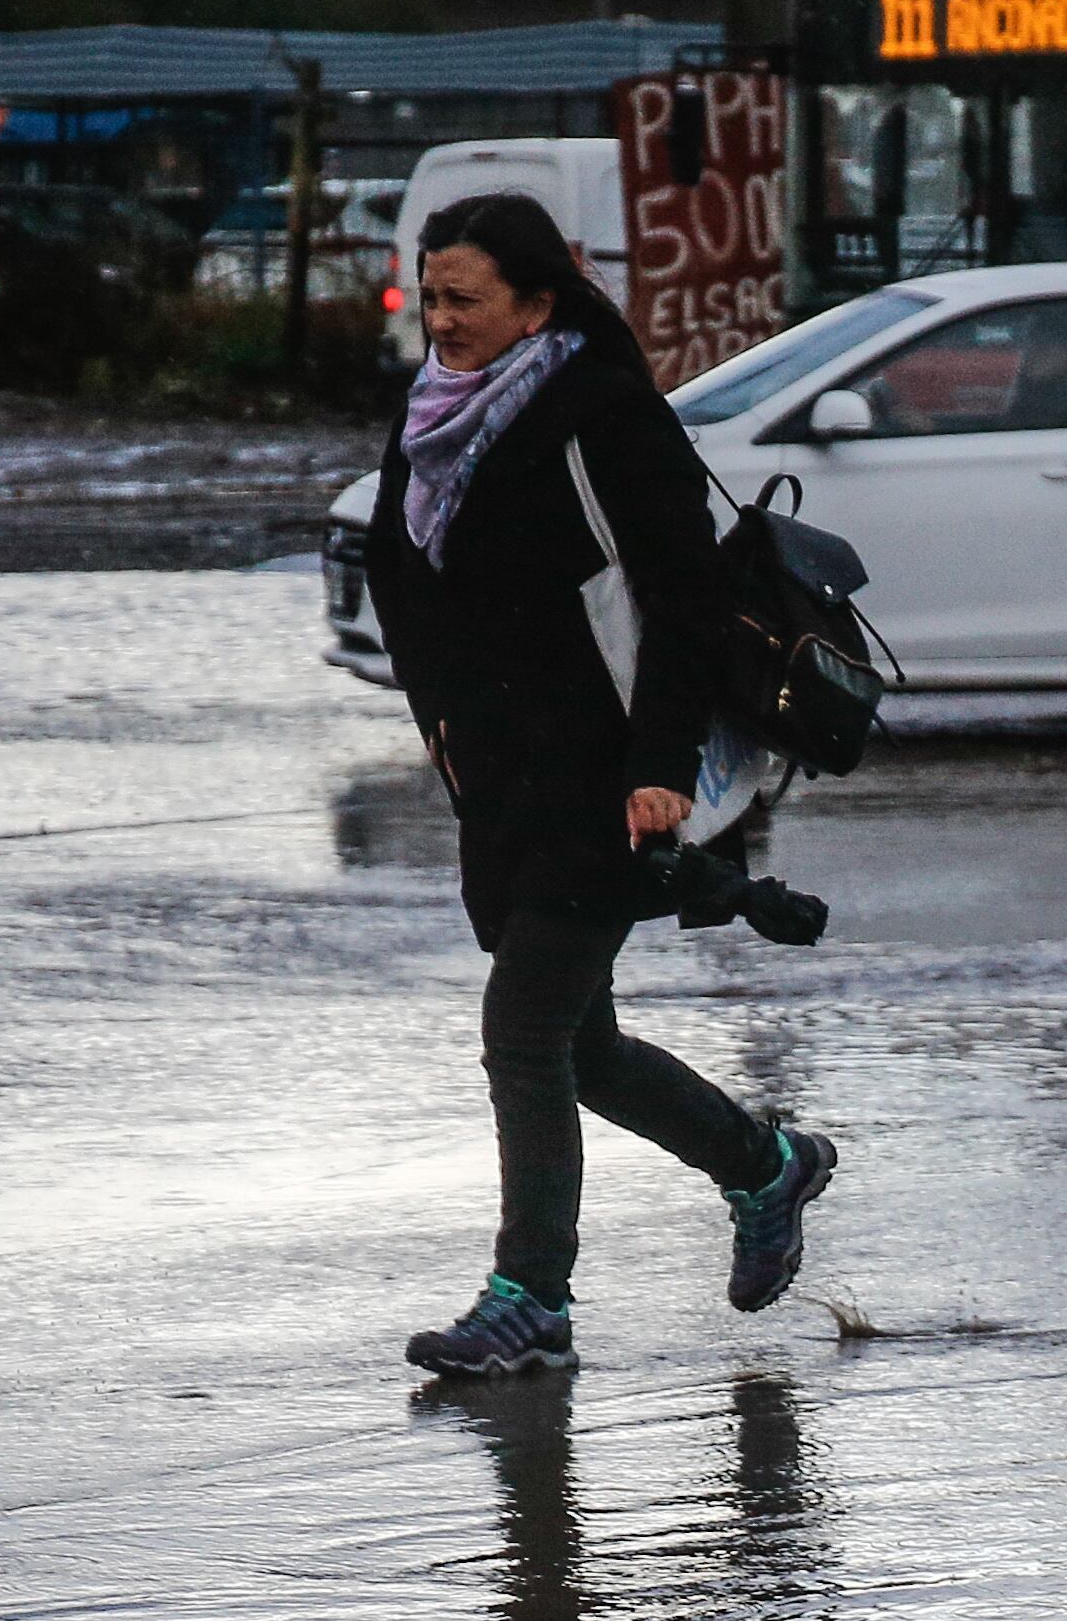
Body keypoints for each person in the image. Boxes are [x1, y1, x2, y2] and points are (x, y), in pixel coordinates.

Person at [364, 191, 840, 1379]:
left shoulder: (606, 415)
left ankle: (531, 1297)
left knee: (522, 1036)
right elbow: (406, 576)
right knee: (584, 1049)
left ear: (537, 301)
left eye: (464, 298)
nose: (440, 319)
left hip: (601, 771)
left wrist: (662, 771)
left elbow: (681, 601)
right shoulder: (431, 416)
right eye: (429, 295)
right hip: (501, 777)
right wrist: (437, 723)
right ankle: (766, 1164)